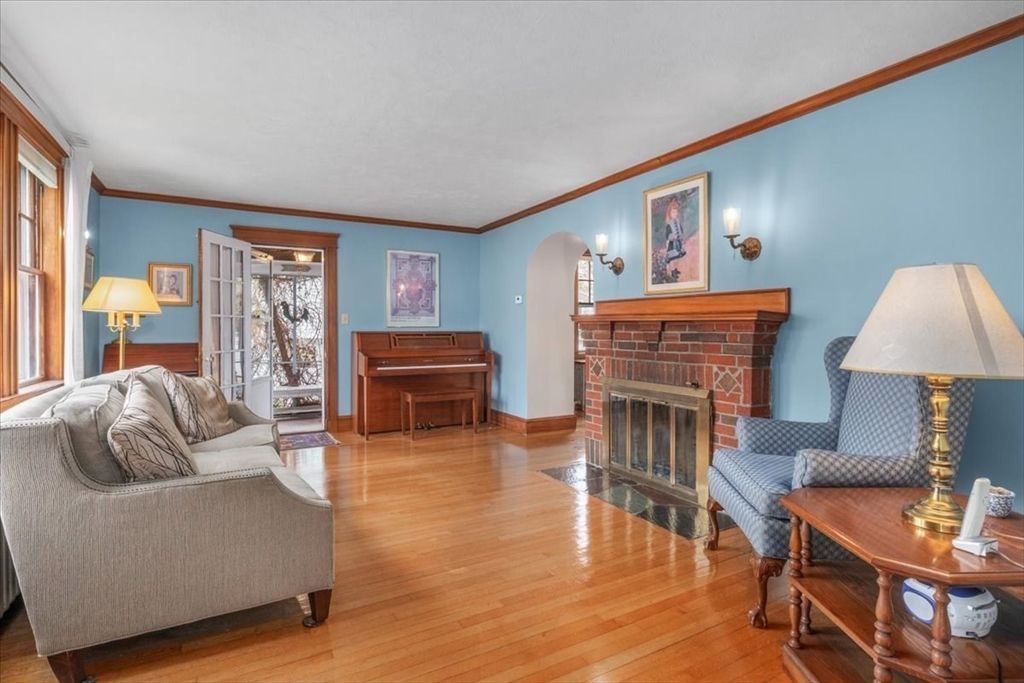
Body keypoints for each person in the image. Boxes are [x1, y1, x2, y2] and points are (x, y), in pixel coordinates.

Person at [663, 197, 686, 278]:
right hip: (672, 244)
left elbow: (681, 230)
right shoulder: (669, 224)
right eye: (673, 212)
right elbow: (667, 235)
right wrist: (673, 236)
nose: (675, 213)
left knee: (677, 257)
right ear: (670, 213)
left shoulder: (678, 222)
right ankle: (673, 271)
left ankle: (676, 269)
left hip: (678, 242)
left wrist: (681, 237)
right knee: (672, 258)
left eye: (676, 212)